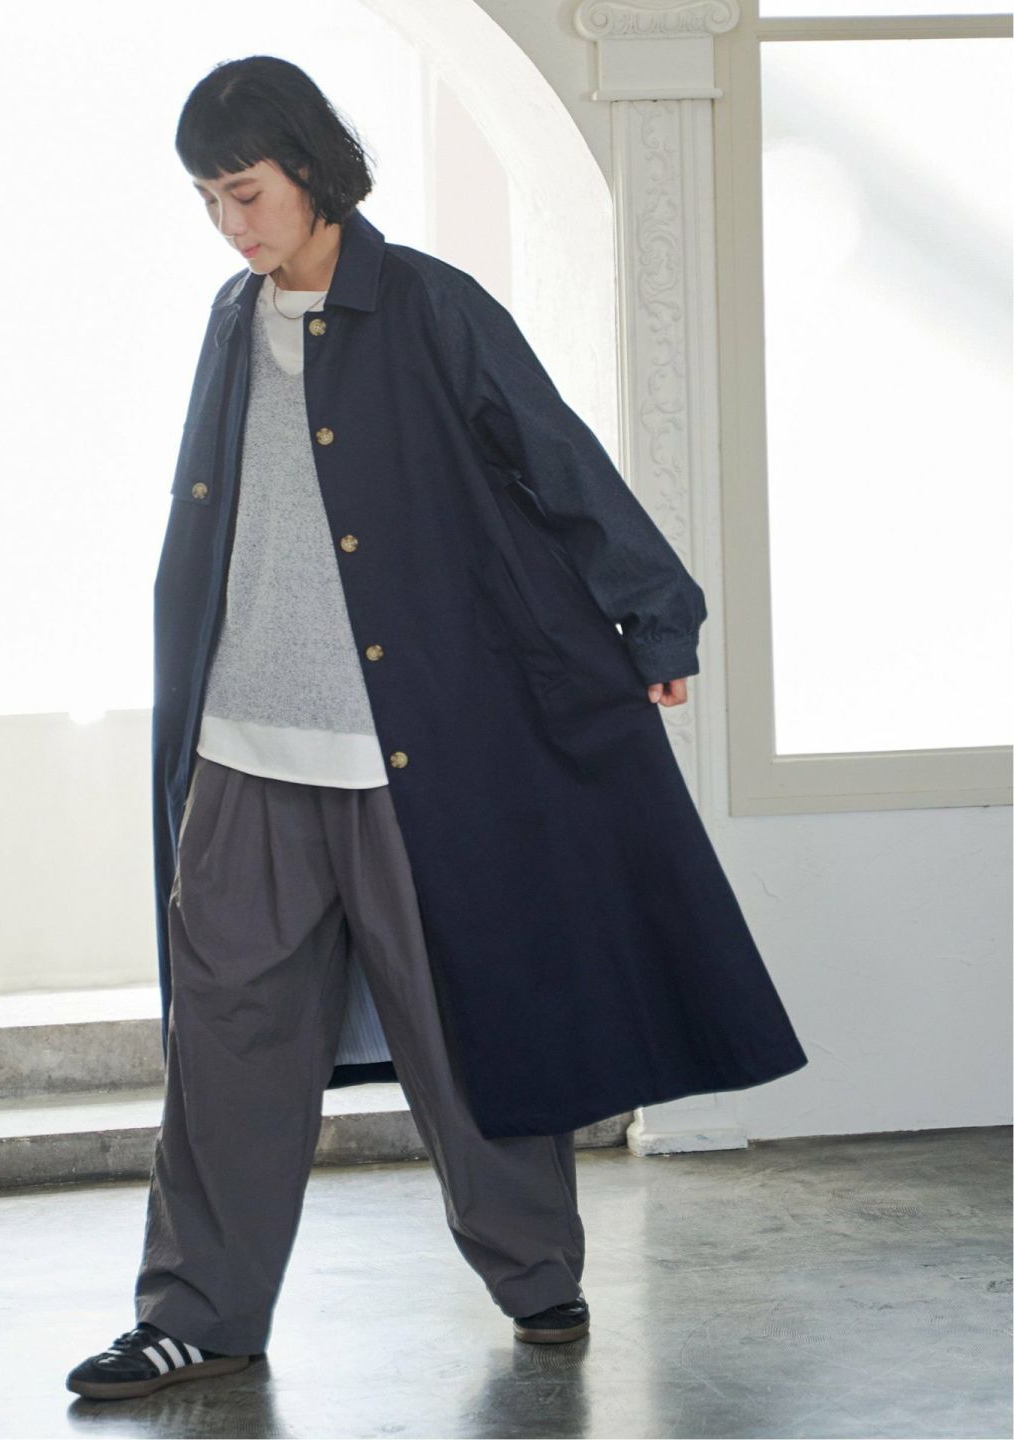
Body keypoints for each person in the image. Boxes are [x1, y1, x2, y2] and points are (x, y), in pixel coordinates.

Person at [66, 53, 807, 1402]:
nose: (231, 224)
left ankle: (536, 1274)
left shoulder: (428, 307)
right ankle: (197, 1313)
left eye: (246, 191)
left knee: (470, 1022)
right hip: (244, 752)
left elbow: (555, 457)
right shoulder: (231, 321)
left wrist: (654, 616)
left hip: (411, 752)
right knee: (223, 1049)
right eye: (208, 200)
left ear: (310, 167)